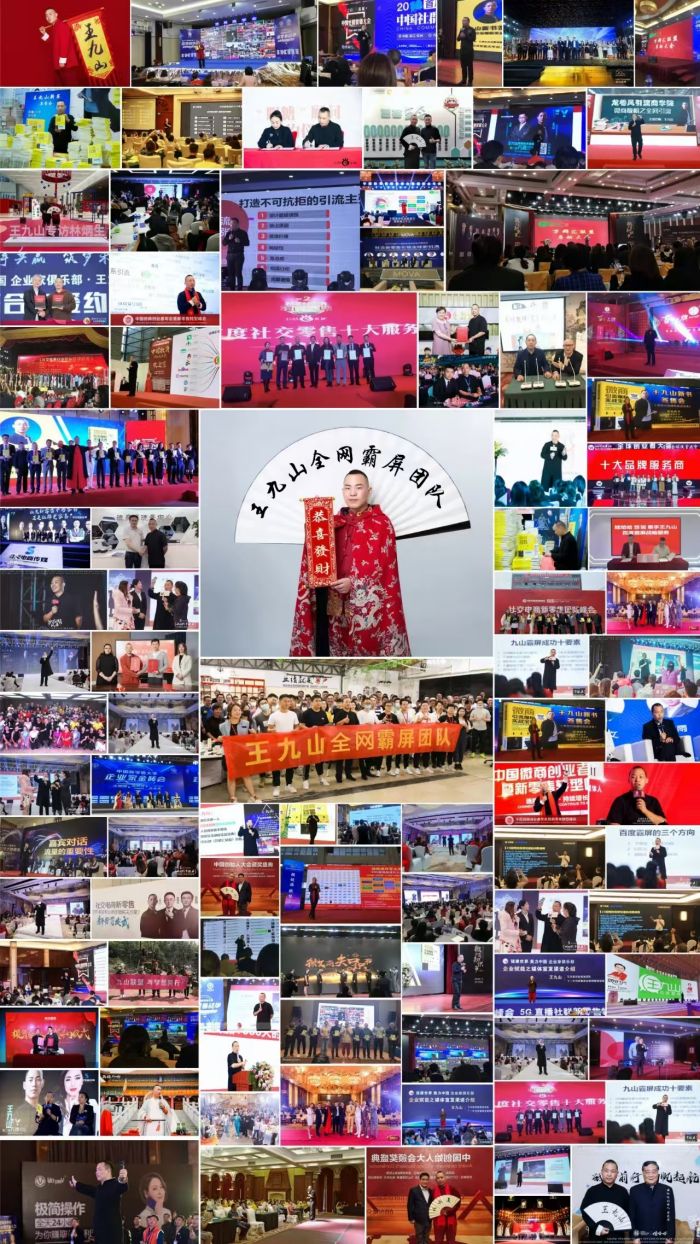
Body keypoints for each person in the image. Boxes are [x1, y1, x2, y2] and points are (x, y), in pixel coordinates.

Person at [290, 469, 411, 657]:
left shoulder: (381, 524)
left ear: (368, 491)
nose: (352, 493)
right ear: (342, 491)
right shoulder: (332, 523)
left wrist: (354, 583)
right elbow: (315, 553)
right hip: (333, 603)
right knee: (334, 650)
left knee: (366, 649)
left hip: (366, 606)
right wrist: (316, 518)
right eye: (348, 488)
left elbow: (385, 570)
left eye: (358, 487)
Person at [70, 1162, 129, 1244]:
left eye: (99, 1169)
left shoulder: (115, 1184)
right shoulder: (99, 1188)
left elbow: (122, 1186)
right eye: (96, 1170)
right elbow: (89, 1189)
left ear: (108, 1171)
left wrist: (123, 1179)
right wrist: (76, 1184)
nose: (96, 1172)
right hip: (100, 1233)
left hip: (111, 1234)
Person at [580, 1159, 630, 1240]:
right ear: (601, 1172)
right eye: (606, 1171)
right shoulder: (592, 1191)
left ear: (617, 1174)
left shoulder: (623, 1191)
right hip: (596, 1237)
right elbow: (585, 1212)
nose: (609, 1174)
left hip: (616, 1237)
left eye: (613, 1171)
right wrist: (597, 1228)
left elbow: (627, 1213)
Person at [629, 1161, 675, 1244]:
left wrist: (670, 1237)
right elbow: (632, 1216)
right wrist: (634, 1237)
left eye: (654, 1172)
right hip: (641, 1238)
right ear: (643, 1173)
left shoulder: (667, 1190)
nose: (651, 1175)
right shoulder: (634, 1190)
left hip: (661, 1237)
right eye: (647, 1172)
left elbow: (670, 1215)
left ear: (658, 1173)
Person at [39, 9, 80, 85]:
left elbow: (65, 44)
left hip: (67, 64)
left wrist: (62, 61)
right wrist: (44, 33)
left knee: (71, 84)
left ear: (56, 14)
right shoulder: (55, 26)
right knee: (66, 84)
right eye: (46, 15)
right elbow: (53, 42)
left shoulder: (61, 25)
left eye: (50, 14)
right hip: (62, 64)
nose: (48, 17)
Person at [224, 217, 250, 291]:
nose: (232, 225)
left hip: (239, 255)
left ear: (238, 224)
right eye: (231, 224)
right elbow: (224, 243)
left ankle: (239, 290)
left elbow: (247, 243)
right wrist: (229, 239)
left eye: (234, 223)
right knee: (231, 274)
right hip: (230, 255)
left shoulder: (243, 233)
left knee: (238, 273)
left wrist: (240, 241)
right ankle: (232, 289)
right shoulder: (229, 233)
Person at [407, 1171, 433, 1244]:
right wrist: (411, 1218)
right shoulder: (413, 1190)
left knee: (426, 1237)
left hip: (429, 1219)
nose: (425, 1181)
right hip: (418, 1219)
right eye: (423, 1179)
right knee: (419, 1238)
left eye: (426, 1179)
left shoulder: (431, 1191)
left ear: (428, 1180)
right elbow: (410, 1205)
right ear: (420, 1180)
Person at [457, 16, 476, 84]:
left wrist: (466, 36)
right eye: (462, 20)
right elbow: (458, 39)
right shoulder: (462, 29)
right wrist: (460, 36)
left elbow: (473, 39)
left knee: (470, 67)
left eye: (464, 20)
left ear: (468, 21)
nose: (463, 22)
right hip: (462, 51)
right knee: (463, 67)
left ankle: (470, 81)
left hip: (469, 51)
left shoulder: (472, 29)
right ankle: (464, 80)